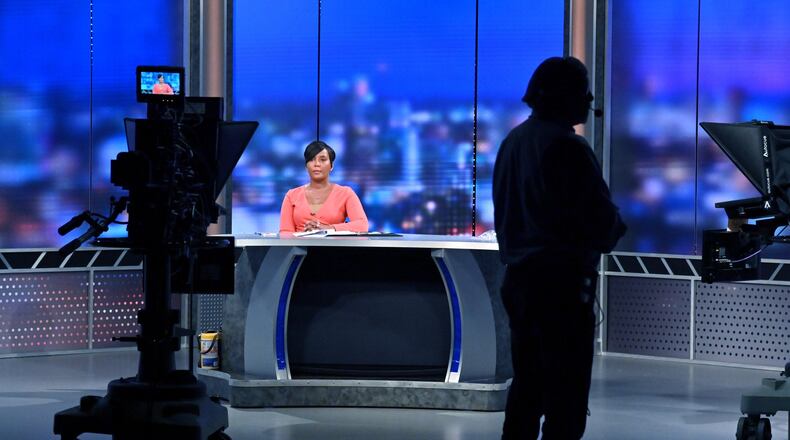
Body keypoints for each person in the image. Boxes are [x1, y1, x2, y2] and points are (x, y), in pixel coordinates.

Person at [492, 56, 626, 440]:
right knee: (565, 402)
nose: (590, 100)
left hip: (518, 282)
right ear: (565, 95)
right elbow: (600, 223)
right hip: (560, 289)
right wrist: (615, 226)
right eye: (584, 91)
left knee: (527, 390)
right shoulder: (568, 147)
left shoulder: (512, 141)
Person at [279, 140, 369, 233]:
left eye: (322, 159)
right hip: (300, 247)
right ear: (306, 166)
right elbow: (285, 232)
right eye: (311, 159)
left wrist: (329, 228)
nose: (317, 164)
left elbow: (362, 225)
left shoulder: (346, 193)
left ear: (331, 166)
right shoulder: (291, 195)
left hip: (334, 246)